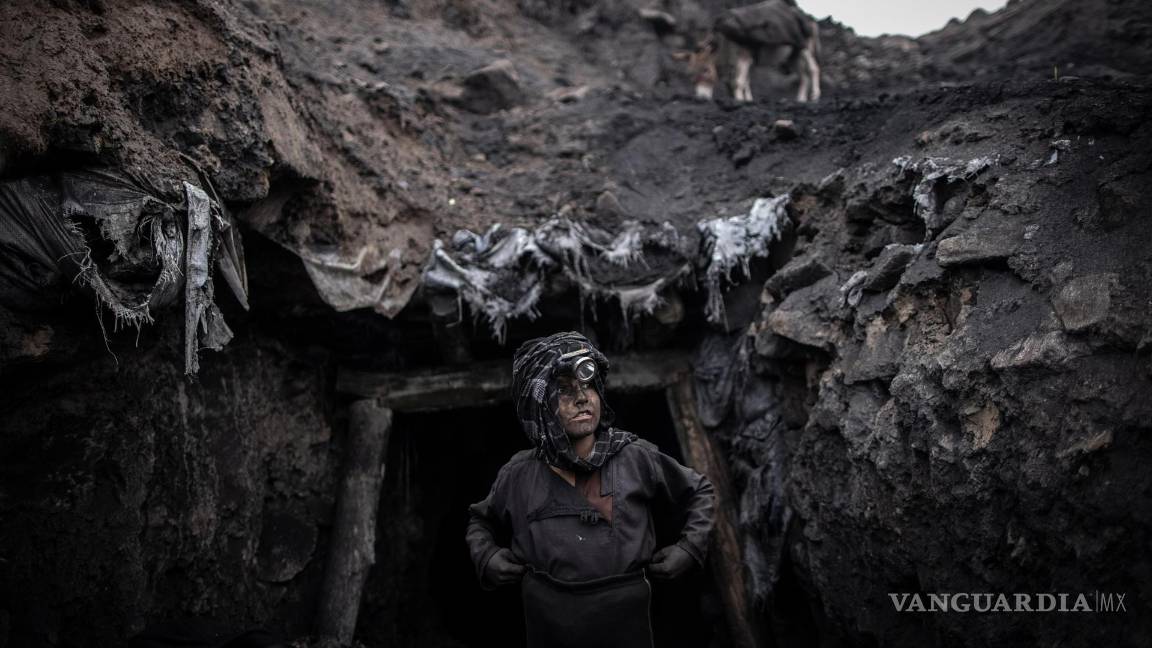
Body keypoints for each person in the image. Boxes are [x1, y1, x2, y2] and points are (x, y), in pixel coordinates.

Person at [465, 331, 716, 648]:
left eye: (588, 387)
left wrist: (689, 549)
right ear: (539, 407)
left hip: (630, 621)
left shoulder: (635, 456)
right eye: (565, 391)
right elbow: (480, 521)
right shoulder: (518, 474)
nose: (582, 398)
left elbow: (700, 492)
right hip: (550, 622)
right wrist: (487, 557)